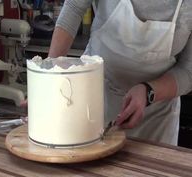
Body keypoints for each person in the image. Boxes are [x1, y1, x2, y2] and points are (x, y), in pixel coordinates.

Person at [48, 0, 192, 146]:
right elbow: (73, 7)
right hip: (96, 95)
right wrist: (49, 78)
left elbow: (189, 71)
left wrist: (148, 92)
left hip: (156, 113)